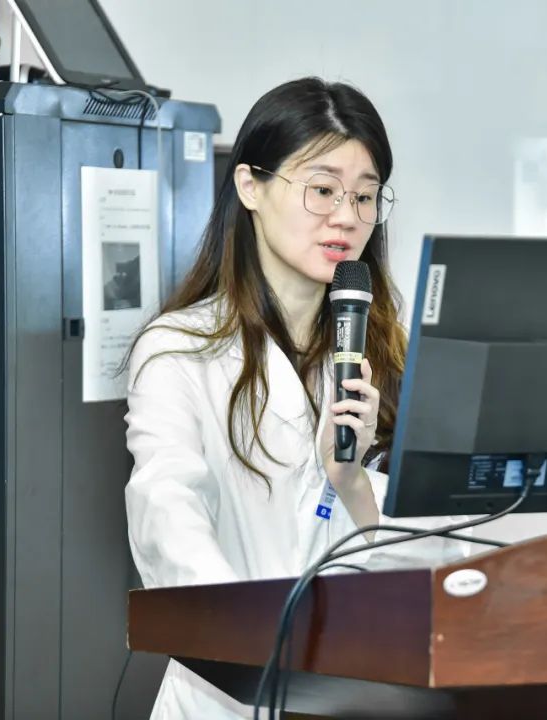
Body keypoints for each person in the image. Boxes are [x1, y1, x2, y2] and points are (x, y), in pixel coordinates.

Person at [124, 77, 466, 719]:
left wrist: (353, 484)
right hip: (232, 693)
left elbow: (437, 557)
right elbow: (166, 512)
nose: (347, 216)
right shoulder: (179, 350)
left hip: (362, 691)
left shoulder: (388, 356)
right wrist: (253, 640)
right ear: (250, 186)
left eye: (365, 196)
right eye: (323, 189)